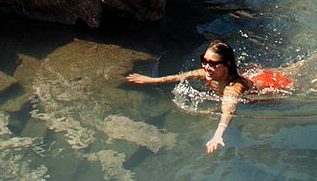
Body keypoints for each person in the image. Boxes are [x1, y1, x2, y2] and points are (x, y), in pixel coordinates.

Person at [124, 40, 294, 153]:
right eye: (204, 61)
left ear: (226, 65)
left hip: (274, 89)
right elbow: (180, 76)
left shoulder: (234, 87)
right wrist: (152, 80)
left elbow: (228, 109)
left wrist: (218, 134)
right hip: (259, 78)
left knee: (302, 79)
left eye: (212, 64)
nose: (206, 67)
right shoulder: (208, 74)